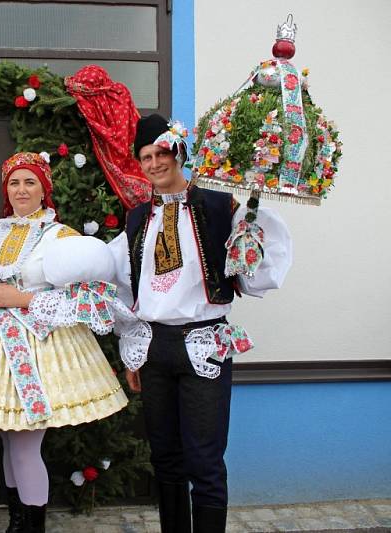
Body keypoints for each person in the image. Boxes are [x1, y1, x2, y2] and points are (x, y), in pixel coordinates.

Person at [0, 152, 130, 533]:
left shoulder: (63, 237)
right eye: (15, 183)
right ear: (6, 189)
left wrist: (23, 300)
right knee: (9, 441)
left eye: (30, 182)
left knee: (24, 445)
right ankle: (17, 522)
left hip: (39, 349)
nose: (22, 190)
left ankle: (30, 527)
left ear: (44, 189)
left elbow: (93, 298)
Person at [117, 115, 292, 533]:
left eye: (161, 153)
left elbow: (251, 274)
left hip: (204, 345)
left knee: (205, 461)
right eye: (146, 157)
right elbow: (128, 287)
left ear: (178, 153)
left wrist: (251, 226)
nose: (154, 163)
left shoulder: (220, 207)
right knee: (165, 458)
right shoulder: (137, 218)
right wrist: (132, 351)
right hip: (153, 347)